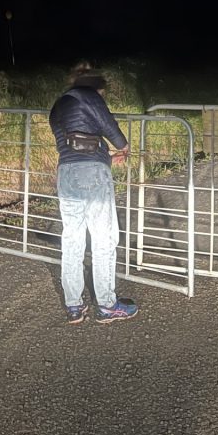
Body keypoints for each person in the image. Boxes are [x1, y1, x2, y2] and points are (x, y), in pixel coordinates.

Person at [49, 62, 138, 325]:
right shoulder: (90, 97)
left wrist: (106, 158)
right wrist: (123, 149)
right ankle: (107, 305)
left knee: (73, 239)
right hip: (92, 176)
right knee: (103, 239)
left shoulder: (58, 106)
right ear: (97, 87)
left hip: (66, 174)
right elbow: (113, 132)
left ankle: (74, 306)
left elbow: (75, 144)